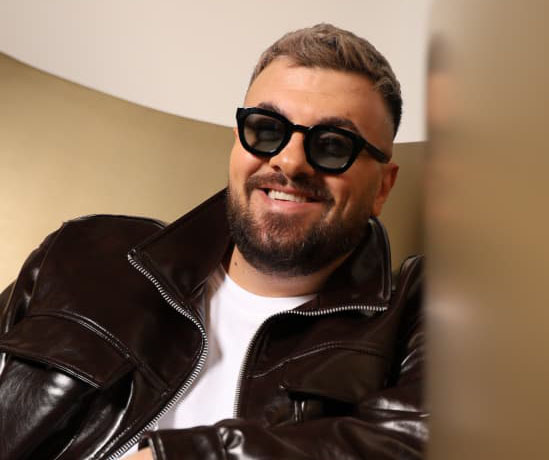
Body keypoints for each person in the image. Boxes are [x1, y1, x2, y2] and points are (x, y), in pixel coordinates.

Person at [0, 24, 425, 459]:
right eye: (267, 129)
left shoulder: (418, 311)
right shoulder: (84, 252)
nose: (289, 161)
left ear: (382, 187)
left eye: (334, 145)